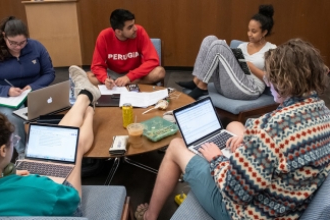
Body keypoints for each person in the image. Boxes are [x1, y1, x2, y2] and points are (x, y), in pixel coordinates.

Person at [135, 39, 330, 220]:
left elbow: (234, 193)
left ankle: (150, 215)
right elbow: (281, 151)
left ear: (282, 82)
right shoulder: (324, 115)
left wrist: (217, 159)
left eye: (270, 78)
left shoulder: (266, 129)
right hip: (288, 204)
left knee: (176, 145)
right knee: (235, 126)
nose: (268, 83)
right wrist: (250, 148)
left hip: (244, 212)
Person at [0, 65, 100, 216]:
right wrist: (30, 181)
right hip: (62, 205)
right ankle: (88, 103)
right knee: (73, 149)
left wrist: (8, 176)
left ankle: (86, 99)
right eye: (14, 140)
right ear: (3, 150)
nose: (15, 141)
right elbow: (72, 203)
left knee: (59, 141)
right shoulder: (39, 189)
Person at [0, 16, 55, 154]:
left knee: (56, 108)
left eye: (22, 43)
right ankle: (23, 152)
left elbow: (49, 73)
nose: (18, 47)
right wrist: (7, 90)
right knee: (15, 116)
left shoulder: (36, 46)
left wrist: (33, 86)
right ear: (4, 36)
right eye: (13, 43)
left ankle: (50, 146)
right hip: (2, 96)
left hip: (32, 92)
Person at [177, 5, 276, 100]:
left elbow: (273, 80)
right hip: (228, 85)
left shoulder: (271, 49)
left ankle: (202, 86)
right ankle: (197, 81)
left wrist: (251, 67)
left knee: (219, 45)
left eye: (254, 31)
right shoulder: (242, 47)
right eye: (248, 30)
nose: (249, 34)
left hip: (250, 89)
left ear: (264, 32)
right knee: (210, 39)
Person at [87, 9, 165, 89]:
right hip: (113, 74)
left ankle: (122, 84)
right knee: (88, 76)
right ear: (118, 32)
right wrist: (104, 79)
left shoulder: (140, 31)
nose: (135, 29)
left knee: (159, 72)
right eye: (130, 27)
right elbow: (97, 65)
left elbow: (153, 60)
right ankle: (119, 84)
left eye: (134, 24)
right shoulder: (104, 36)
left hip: (136, 74)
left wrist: (129, 77)